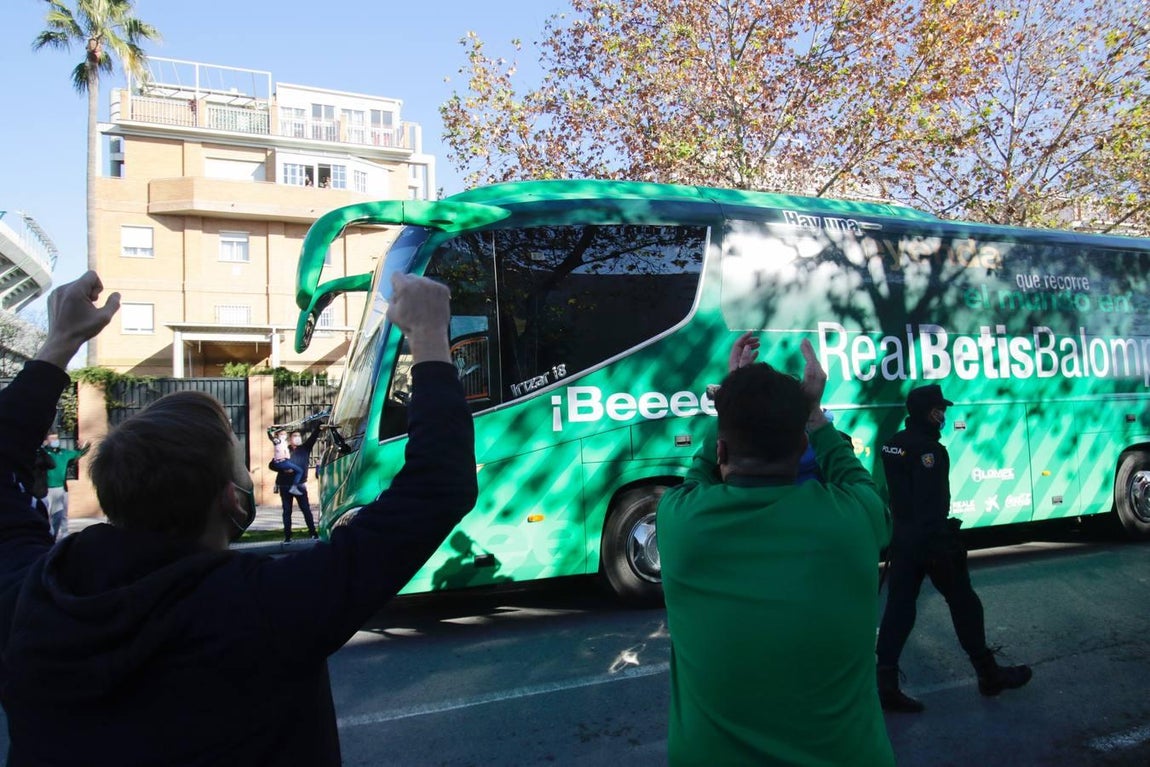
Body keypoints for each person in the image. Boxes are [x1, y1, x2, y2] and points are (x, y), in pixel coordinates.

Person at [0, 270, 476, 765]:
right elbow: (439, 486)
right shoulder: (267, 605)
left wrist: (58, 344)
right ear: (232, 501)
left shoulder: (30, 598)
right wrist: (427, 336)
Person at [658, 332, 895, 766]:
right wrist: (815, 415)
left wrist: (733, 398)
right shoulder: (856, 520)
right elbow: (852, 475)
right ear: (803, 445)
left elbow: (703, 470)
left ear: (723, 446)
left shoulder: (681, 522)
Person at [875, 383, 1032, 713]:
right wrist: (943, 543)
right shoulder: (930, 451)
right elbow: (933, 505)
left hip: (902, 540)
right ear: (927, 412)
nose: (943, 415)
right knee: (965, 604)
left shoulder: (893, 445)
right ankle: (988, 674)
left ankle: (885, 682)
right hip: (930, 543)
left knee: (899, 608)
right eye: (939, 409)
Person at [275, 419, 325, 542]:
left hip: (300, 486)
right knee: (287, 511)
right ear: (290, 439)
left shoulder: (305, 448)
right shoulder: (283, 449)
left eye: (299, 436)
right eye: (295, 436)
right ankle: (287, 537)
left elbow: (314, 437)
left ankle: (313, 533)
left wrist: (319, 426)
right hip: (285, 485)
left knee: (306, 510)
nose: (297, 438)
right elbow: (275, 464)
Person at [42, 432, 90, 540]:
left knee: (60, 515)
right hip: (47, 488)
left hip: (61, 488)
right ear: (47, 441)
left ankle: (61, 536)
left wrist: (85, 446)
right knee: (46, 514)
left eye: (56, 439)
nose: (55, 441)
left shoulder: (64, 453)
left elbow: (79, 453)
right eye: (52, 439)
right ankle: (47, 535)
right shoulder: (45, 453)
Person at [267, 428, 304, 496]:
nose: (284, 435)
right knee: (299, 470)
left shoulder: (285, 443)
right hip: (281, 462)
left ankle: (277, 485)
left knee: (291, 469)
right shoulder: (278, 441)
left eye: (285, 434)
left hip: (284, 462)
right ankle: (293, 487)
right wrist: (269, 431)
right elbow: (271, 438)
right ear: (277, 435)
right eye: (281, 434)